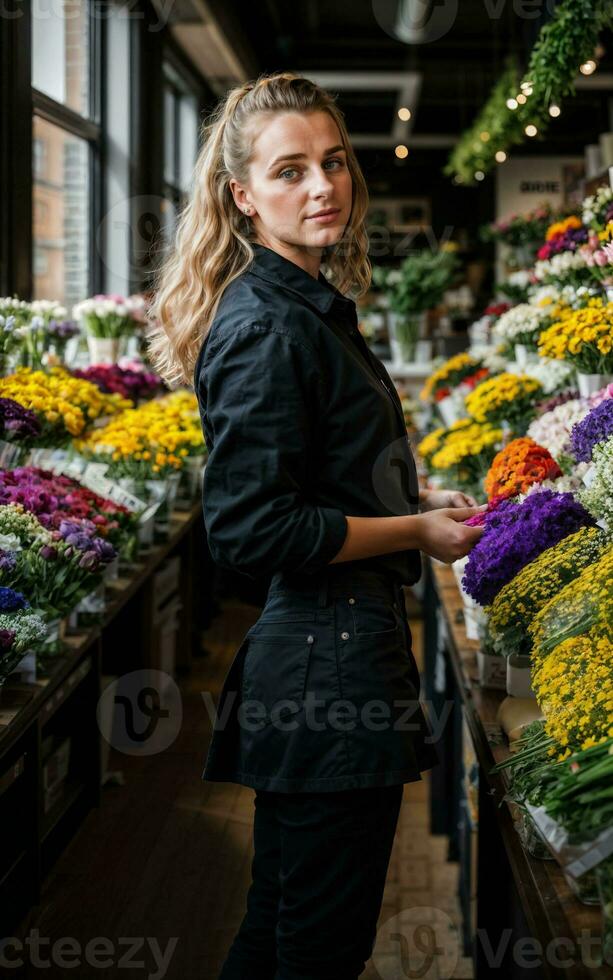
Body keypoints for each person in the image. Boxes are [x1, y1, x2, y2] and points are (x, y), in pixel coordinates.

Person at [150, 71, 484, 980]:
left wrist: (414, 511)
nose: (321, 186)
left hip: (333, 653)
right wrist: (414, 531)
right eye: (289, 170)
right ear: (243, 196)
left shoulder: (304, 307)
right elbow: (253, 532)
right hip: (325, 667)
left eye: (332, 163)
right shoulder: (268, 325)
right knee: (315, 951)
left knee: (284, 934)